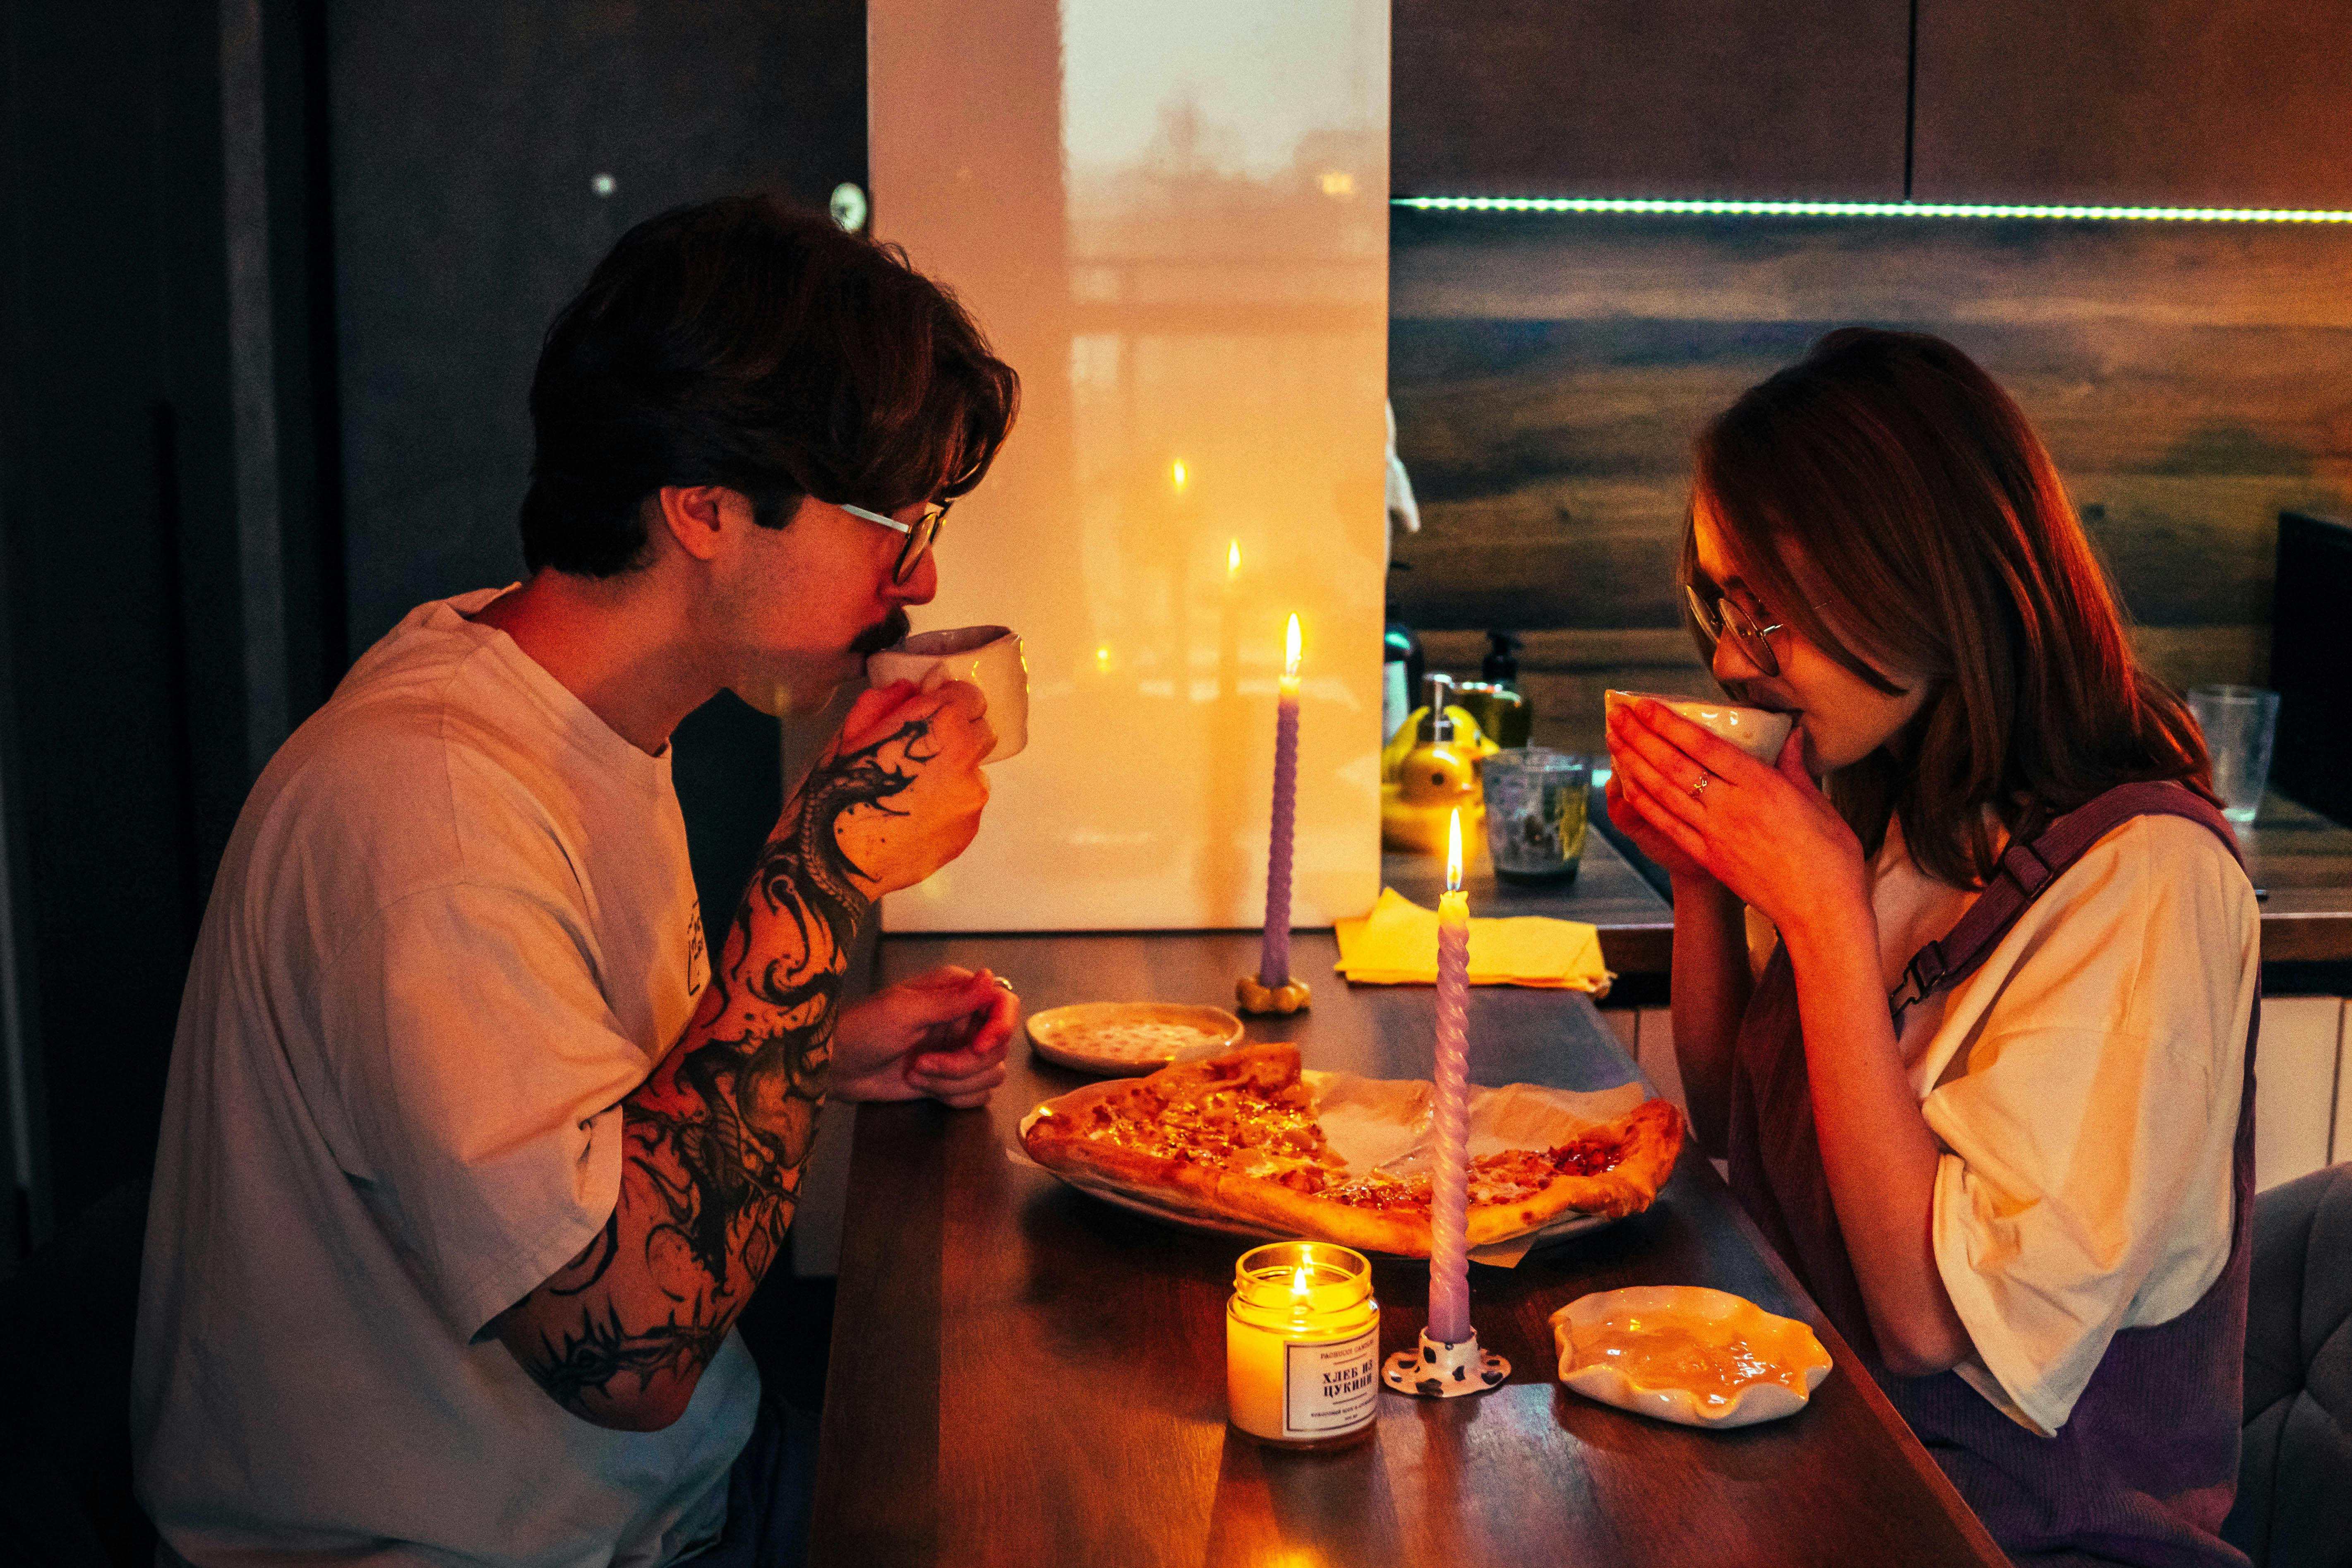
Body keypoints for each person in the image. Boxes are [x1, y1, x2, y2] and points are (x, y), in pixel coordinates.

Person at [131, 194, 1022, 1565]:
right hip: (497, 1536)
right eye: (890, 520)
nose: (920, 573)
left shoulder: (566, 710)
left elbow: (570, 1109)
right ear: (706, 507)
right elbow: (629, 1356)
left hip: (670, 1486)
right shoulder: (431, 810)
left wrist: (822, 1052)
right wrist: (817, 877)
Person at [1606, 328, 2258, 1568]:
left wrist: (1821, 913)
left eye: (1767, 611)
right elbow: (1746, 1132)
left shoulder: (2144, 884)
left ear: (1921, 581)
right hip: (1821, 1474)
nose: (1733, 660)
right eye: (1716, 604)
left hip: (2025, 1541)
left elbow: (1922, 1324)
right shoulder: (1907, 803)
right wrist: (1702, 881)